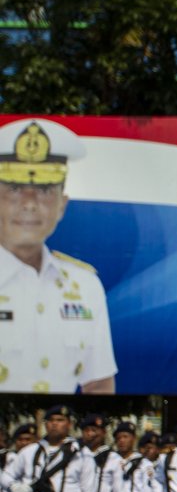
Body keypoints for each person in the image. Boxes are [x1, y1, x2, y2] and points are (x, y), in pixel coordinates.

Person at [0, 118, 116, 394]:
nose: (29, 204)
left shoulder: (85, 287)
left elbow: (99, 384)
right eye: (14, 189)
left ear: (62, 205)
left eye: (43, 190)